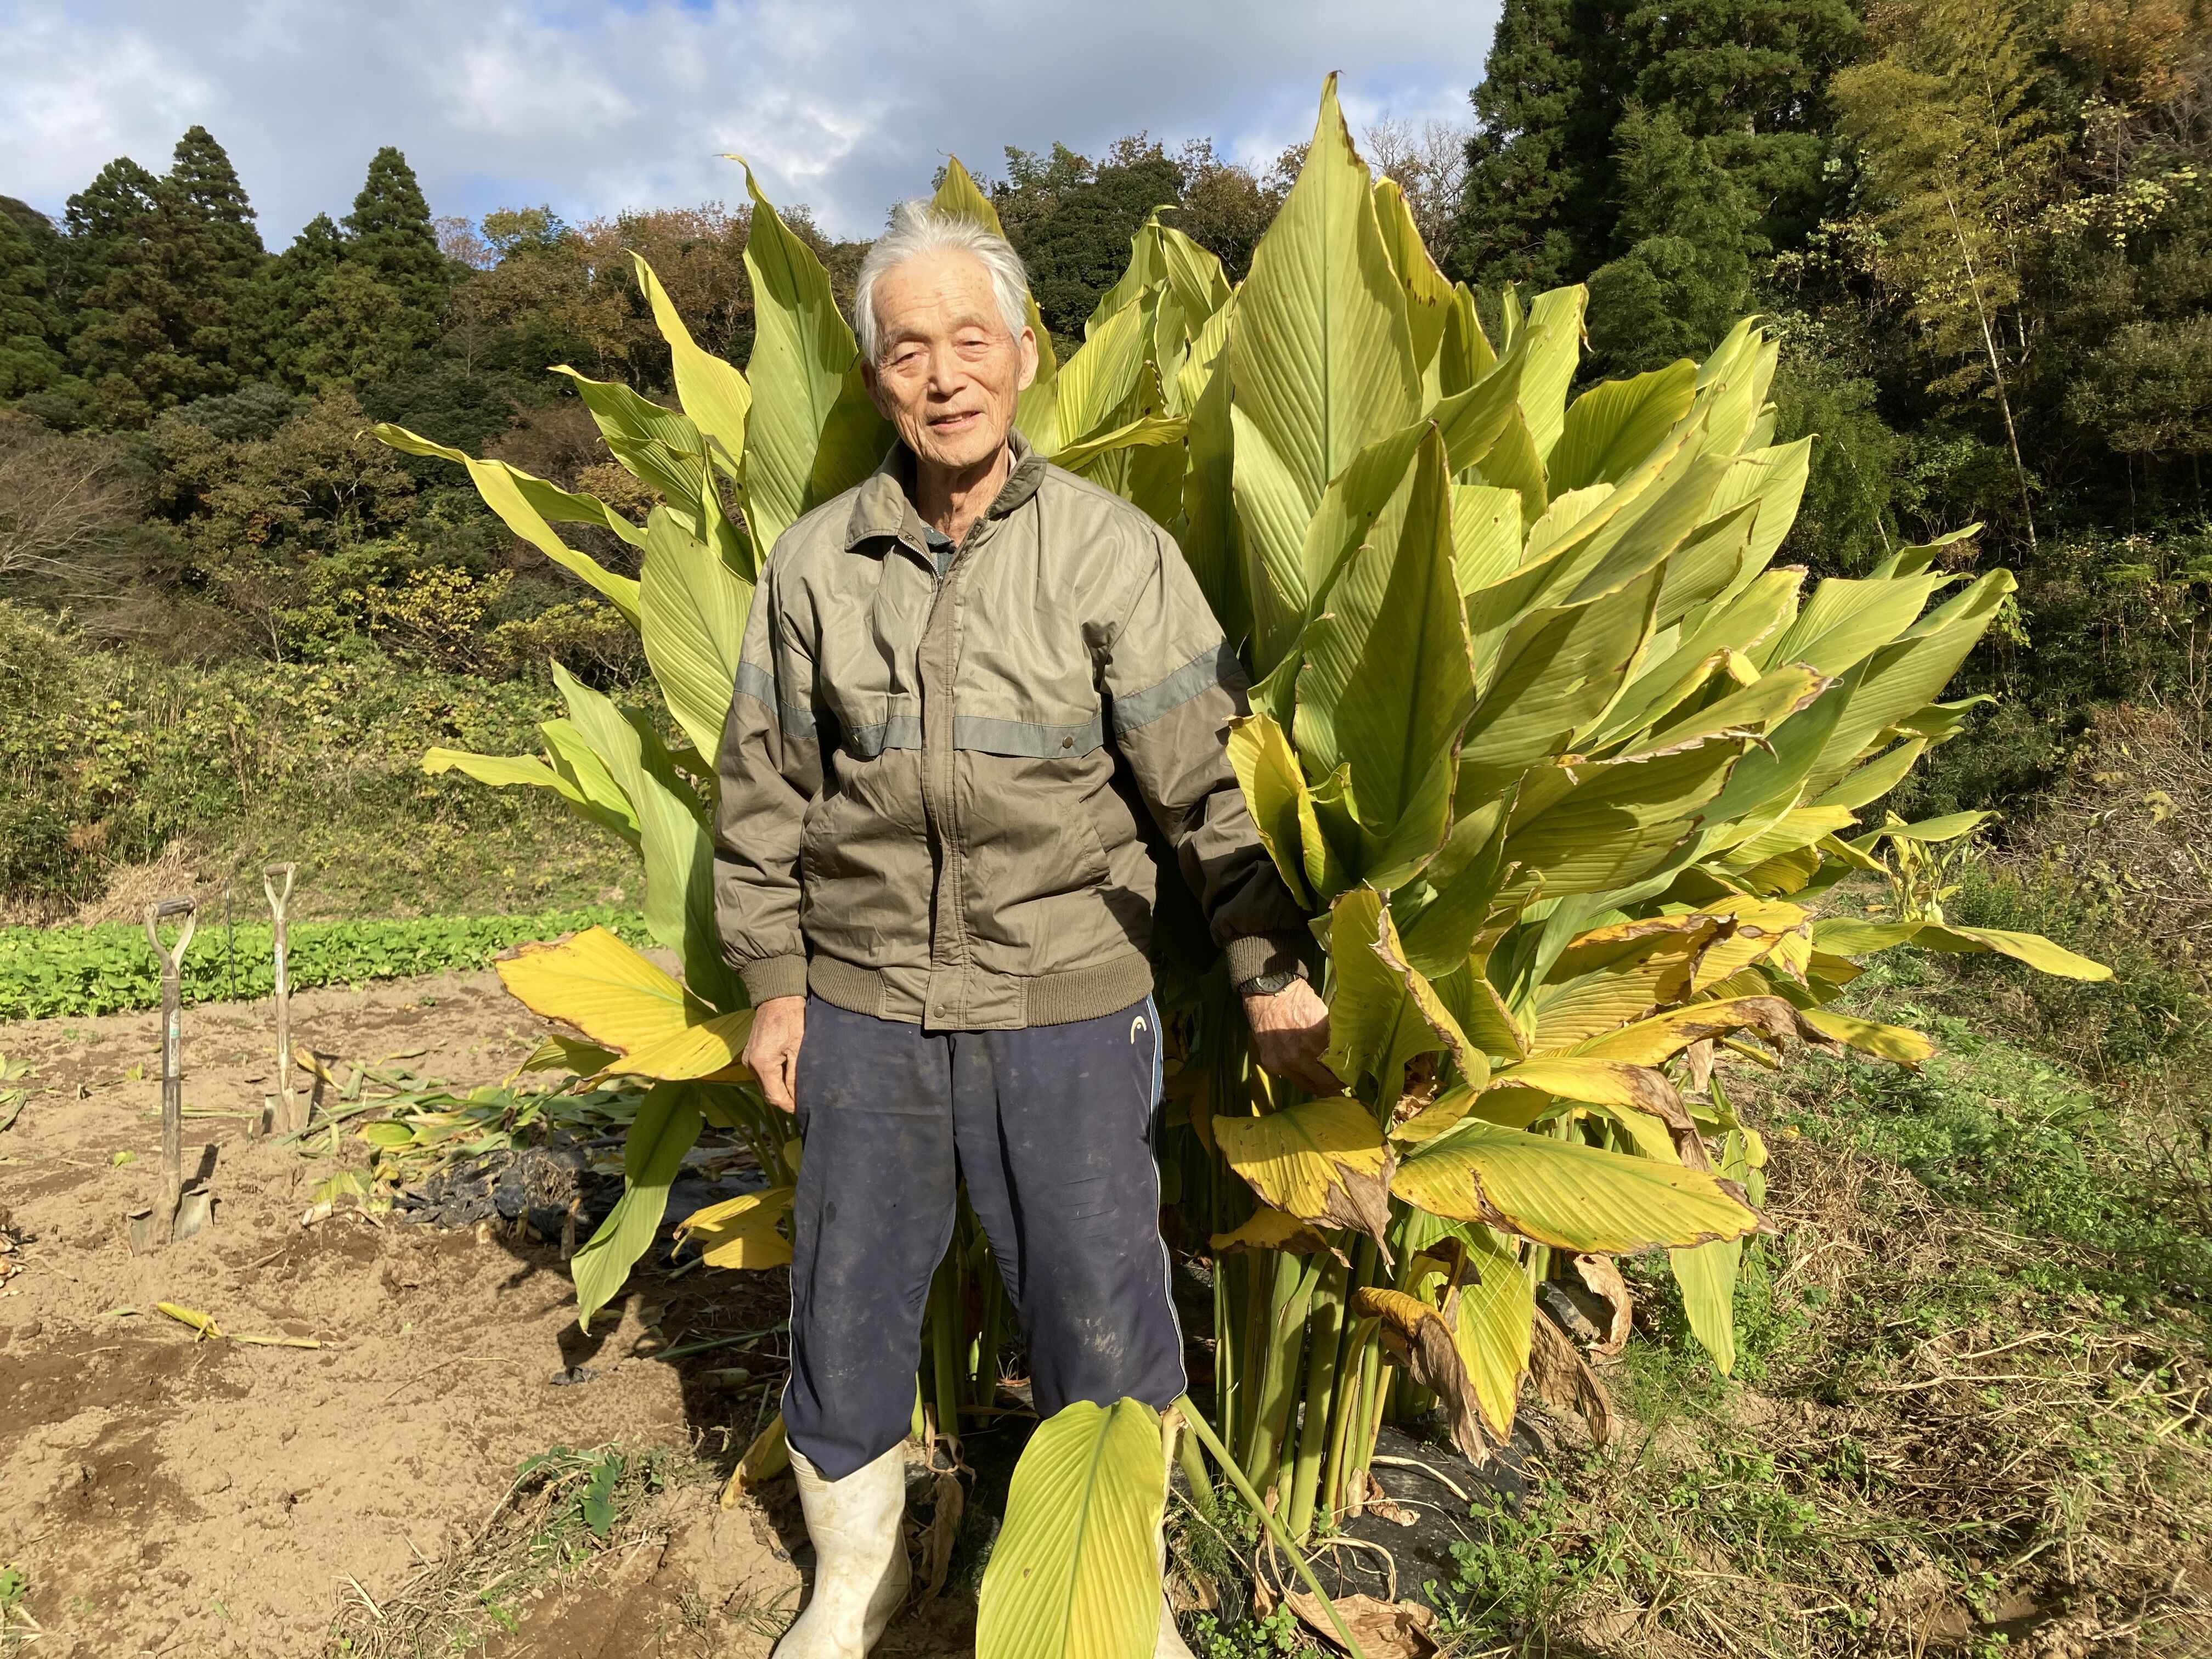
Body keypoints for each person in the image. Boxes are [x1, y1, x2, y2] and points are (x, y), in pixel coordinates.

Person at [715, 199, 1333, 1659]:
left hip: (1068, 1000)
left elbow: (1206, 795)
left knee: (1102, 1315)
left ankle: (1110, 1605)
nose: (943, 374)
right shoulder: (815, 566)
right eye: (908, 349)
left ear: (1025, 358)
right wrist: (773, 980)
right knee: (848, 1305)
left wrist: (1272, 970)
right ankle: (856, 1583)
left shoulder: (1114, 554)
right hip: (865, 1005)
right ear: (873, 381)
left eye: (970, 340)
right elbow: (765, 791)